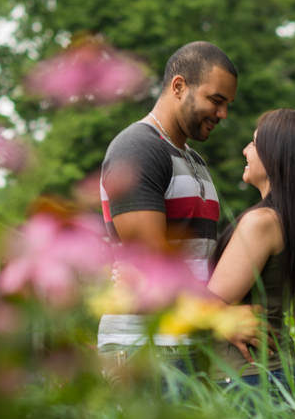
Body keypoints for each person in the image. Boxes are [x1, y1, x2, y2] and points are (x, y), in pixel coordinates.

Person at [98, 41, 259, 388]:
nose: (223, 115)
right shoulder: (137, 149)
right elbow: (155, 264)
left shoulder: (194, 160)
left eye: (227, 104)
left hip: (189, 344)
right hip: (146, 345)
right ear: (178, 86)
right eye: (216, 100)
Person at [206, 109, 295, 402]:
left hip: (247, 378)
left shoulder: (261, 223)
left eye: (253, 143)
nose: (245, 150)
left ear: (276, 155)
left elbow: (208, 305)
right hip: (276, 372)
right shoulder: (294, 221)